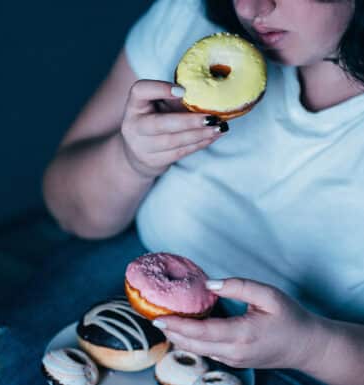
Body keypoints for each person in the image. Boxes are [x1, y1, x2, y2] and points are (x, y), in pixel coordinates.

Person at [43, 0, 364, 384]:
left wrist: (313, 348)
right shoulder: (187, 16)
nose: (248, 7)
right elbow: (72, 213)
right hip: (120, 277)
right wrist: (133, 160)